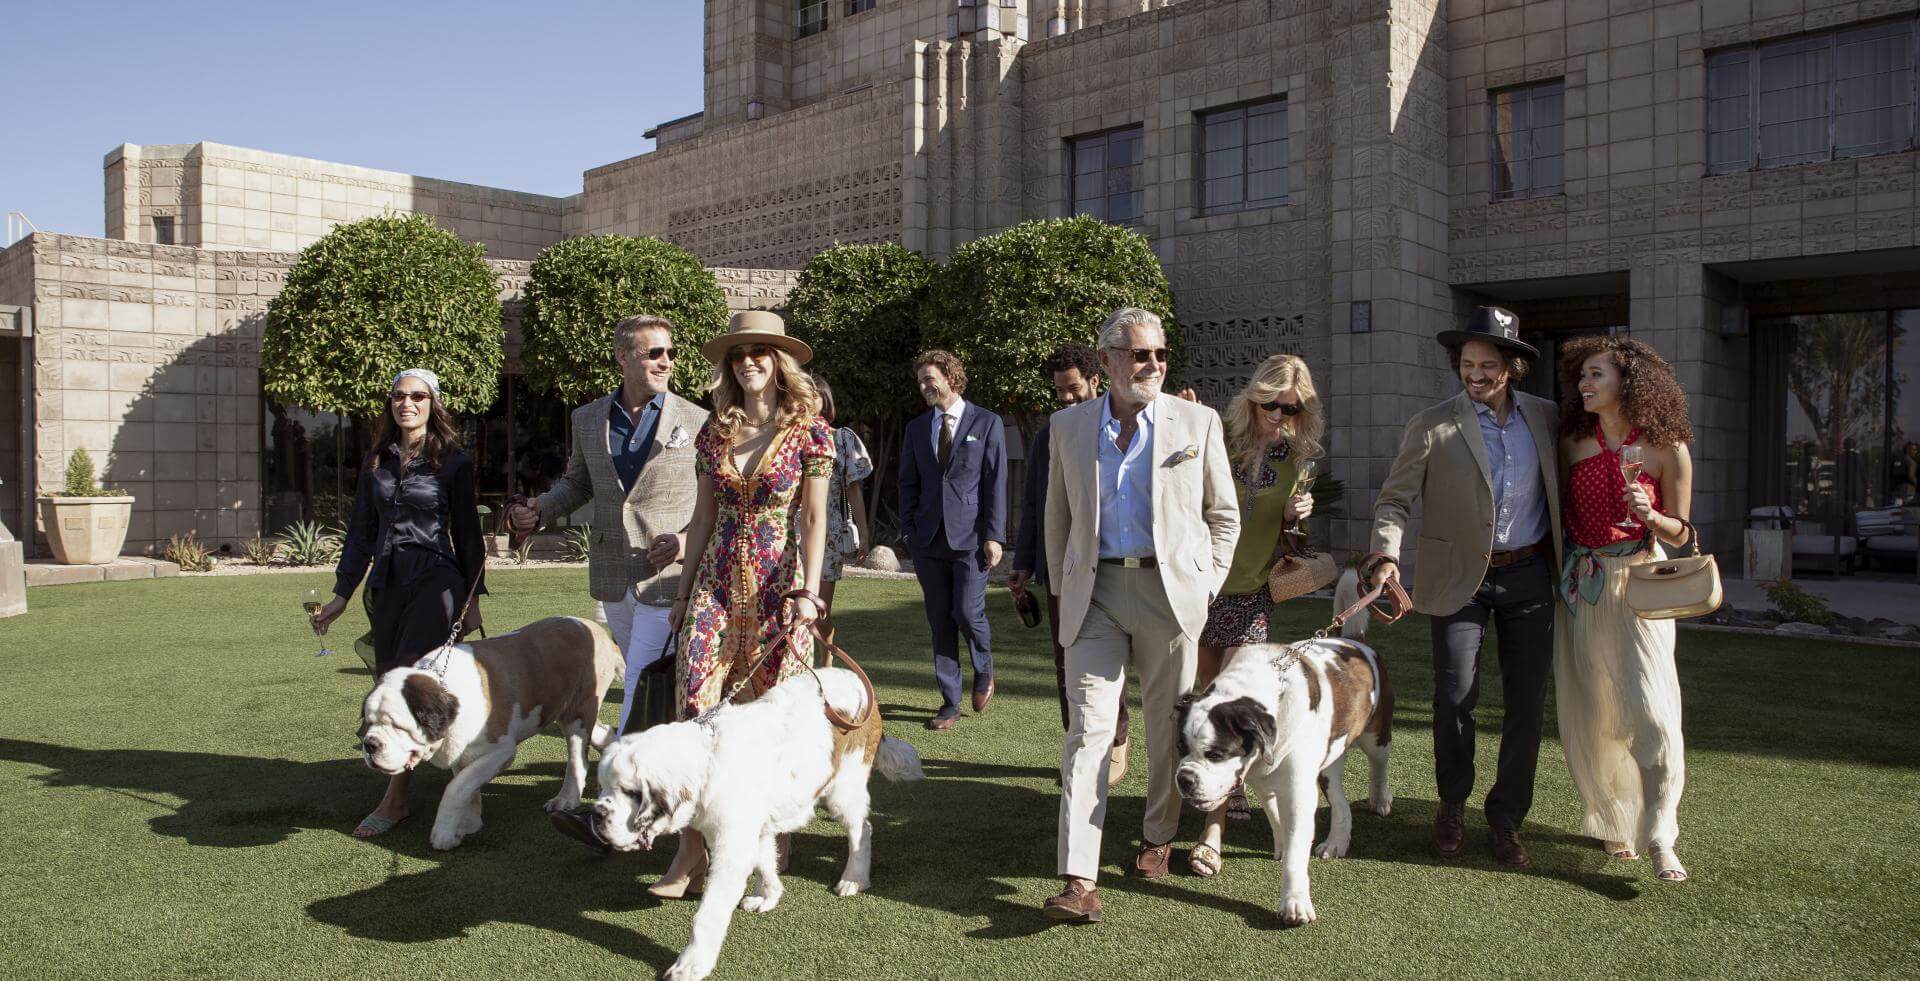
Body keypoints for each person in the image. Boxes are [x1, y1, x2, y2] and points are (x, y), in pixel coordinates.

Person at [1041, 307, 1239, 923]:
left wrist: (1206, 585)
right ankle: (1078, 877)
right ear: (1106, 361)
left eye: (1158, 354)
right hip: (1095, 597)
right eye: (1138, 354)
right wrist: (1063, 589)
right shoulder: (1067, 425)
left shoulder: (1197, 421)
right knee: (1087, 733)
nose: (1151, 365)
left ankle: (1158, 836)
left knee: (1164, 729)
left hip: (1171, 595)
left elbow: (1223, 515)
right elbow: (1057, 518)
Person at [1363, 306, 1563, 868]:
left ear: (1513, 367)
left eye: (1488, 364)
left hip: (1528, 575)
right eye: (1467, 364)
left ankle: (1506, 820)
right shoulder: (1431, 424)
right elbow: (1395, 499)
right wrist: (1385, 553)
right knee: (1454, 698)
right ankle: (1451, 804)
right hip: (1457, 580)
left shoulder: (1546, 419)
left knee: (1526, 706)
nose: (1475, 374)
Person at [506, 315, 709, 850]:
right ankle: (658, 797)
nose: (666, 361)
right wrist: (539, 511)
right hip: (611, 574)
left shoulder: (699, 419)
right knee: (645, 691)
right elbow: (577, 483)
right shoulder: (589, 417)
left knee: (640, 681)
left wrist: (687, 540)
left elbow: (715, 496)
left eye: (669, 352)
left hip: (669, 576)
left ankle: (608, 809)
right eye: (653, 353)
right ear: (623, 358)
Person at [651, 310, 834, 898]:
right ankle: (691, 851)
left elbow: (812, 515)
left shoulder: (812, 431)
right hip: (714, 582)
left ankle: (770, 833)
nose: (748, 361)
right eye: (738, 354)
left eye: (760, 351)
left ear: (779, 363)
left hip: (783, 585)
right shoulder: (714, 431)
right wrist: (681, 594)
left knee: (776, 713)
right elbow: (703, 515)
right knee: (694, 705)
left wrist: (808, 588)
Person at [311, 368, 485, 839]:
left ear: (433, 404)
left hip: (436, 582)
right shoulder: (376, 460)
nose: (406, 404)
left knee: (411, 681)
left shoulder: (454, 461)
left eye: (417, 397)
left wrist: (472, 601)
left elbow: (469, 537)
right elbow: (362, 533)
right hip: (386, 586)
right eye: (398, 397)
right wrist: (341, 596)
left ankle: (397, 798)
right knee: (387, 680)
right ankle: (443, 774)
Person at [1554, 335, 1696, 883]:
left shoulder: (1668, 448)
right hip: (1581, 587)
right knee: (1598, 712)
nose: (1585, 386)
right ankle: (1614, 818)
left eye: (1596, 376)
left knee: (1654, 712)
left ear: (1628, 383)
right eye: (1583, 377)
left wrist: (1652, 516)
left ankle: (1662, 832)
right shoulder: (1571, 443)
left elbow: (1683, 534)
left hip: (1638, 582)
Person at [1188, 353, 1323, 877]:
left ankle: (1213, 831)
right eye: (1270, 403)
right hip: (1201, 587)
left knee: (1229, 702)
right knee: (1204, 694)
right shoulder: (1216, 438)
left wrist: (1296, 517)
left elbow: (1295, 542)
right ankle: (1225, 785)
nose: (1278, 414)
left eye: (1290, 407)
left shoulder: (1298, 458)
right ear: (1252, 399)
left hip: (1252, 594)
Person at [1009, 344, 1131, 785]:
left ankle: (1116, 741)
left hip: (1117, 567)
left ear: (1096, 380)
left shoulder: (1126, 428)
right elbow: (1036, 504)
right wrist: (1024, 563)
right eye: (1059, 390)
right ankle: (1079, 747)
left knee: (1109, 660)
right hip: (1062, 569)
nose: (1064, 397)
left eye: (1073, 388)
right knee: (1068, 664)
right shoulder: (1050, 434)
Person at [899, 349, 1008, 730]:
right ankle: (949, 703)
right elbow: (908, 483)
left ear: (951, 377)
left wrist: (994, 535)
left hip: (972, 539)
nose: (925, 386)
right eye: (921, 381)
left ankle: (984, 670)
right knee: (939, 620)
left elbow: (996, 482)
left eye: (931, 378)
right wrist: (910, 532)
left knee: (966, 612)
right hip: (928, 541)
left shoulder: (987, 422)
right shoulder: (916, 428)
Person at [811, 373, 873, 650]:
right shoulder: (782, 439)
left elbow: (854, 491)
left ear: (824, 400)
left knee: (819, 612)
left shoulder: (841, 440)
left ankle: (825, 663)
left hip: (828, 535)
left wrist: (865, 533)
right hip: (787, 533)